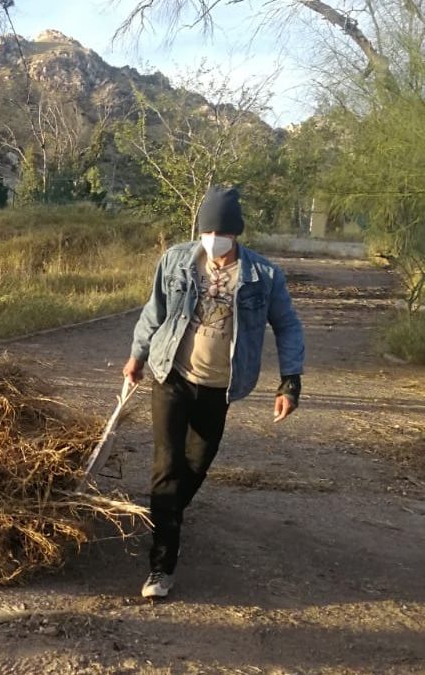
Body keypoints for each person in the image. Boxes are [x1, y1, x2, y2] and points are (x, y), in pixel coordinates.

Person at [122, 186, 305, 599]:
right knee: (167, 466)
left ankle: (165, 515)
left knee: (196, 464)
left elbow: (289, 325)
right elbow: (155, 310)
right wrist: (137, 355)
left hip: (220, 387)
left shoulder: (264, 275)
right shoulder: (176, 260)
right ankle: (162, 565)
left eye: (220, 232)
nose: (212, 239)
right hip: (170, 374)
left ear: (236, 233)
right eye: (207, 231)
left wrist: (290, 381)